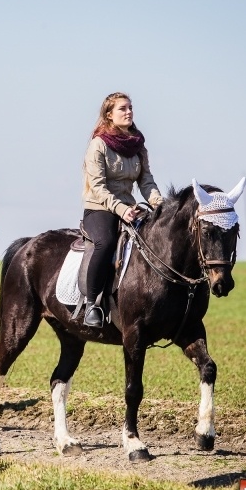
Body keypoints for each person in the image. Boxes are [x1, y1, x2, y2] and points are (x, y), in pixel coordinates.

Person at [81, 92, 164, 328]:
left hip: (130, 208)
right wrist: (119, 208)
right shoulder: (98, 145)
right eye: (122, 109)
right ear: (109, 114)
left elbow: (146, 181)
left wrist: (160, 205)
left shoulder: (138, 144)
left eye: (130, 107)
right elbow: (97, 187)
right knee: (105, 243)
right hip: (100, 208)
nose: (129, 112)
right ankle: (92, 304)